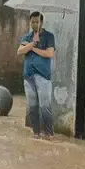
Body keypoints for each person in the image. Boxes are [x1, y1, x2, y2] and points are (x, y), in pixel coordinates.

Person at [17, 12, 55, 140]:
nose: (35, 24)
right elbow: (20, 51)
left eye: (37, 22)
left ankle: (49, 134)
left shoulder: (49, 36)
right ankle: (36, 133)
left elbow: (49, 53)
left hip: (43, 76)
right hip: (28, 76)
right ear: (30, 22)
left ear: (41, 23)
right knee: (32, 106)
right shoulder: (27, 37)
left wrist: (33, 49)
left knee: (45, 106)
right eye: (32, 22)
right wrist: (31, 44)